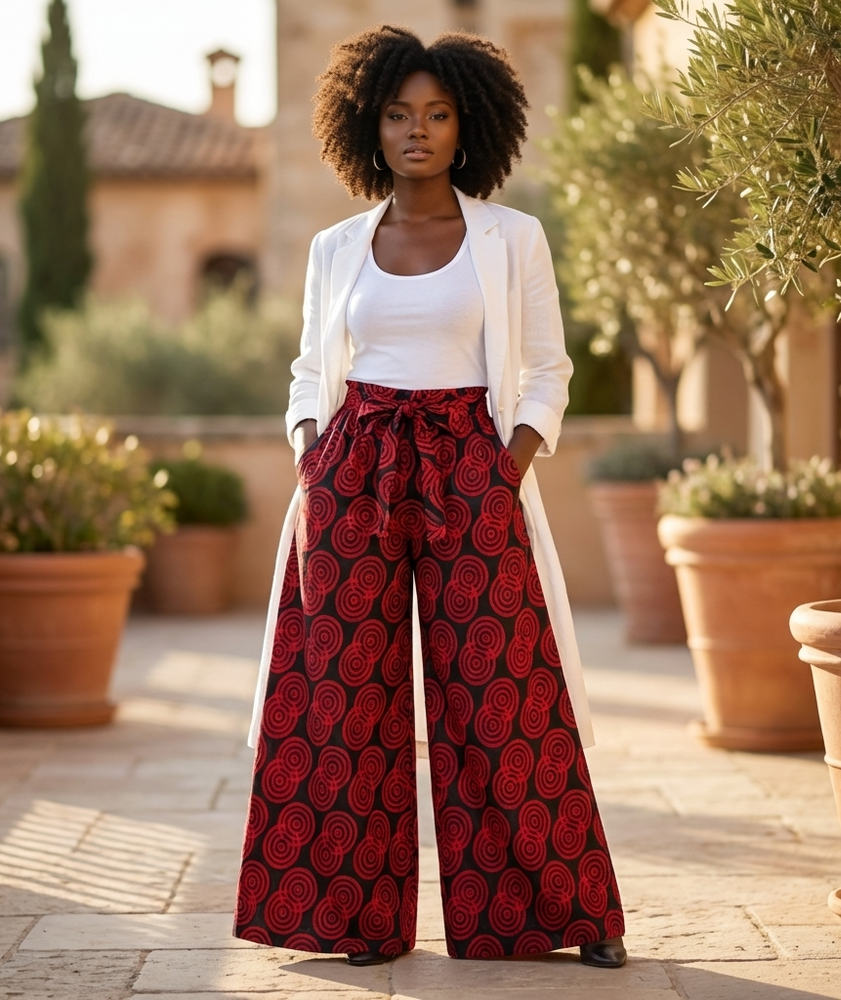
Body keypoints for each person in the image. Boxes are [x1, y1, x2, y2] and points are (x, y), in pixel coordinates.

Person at [234, 24, 626, 969]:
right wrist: (310, 450)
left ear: (468, 125)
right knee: (340, 696)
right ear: (367, 125)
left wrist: (508, 465)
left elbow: (547, 371)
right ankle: (349, 920)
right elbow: (306, 369)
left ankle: (564, 915)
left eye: (438, 114)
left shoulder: (509, 237)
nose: (418, 130)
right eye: (399, 113)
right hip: (353, 467)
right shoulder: (336, 247)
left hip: (470, 469)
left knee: (504, 692)